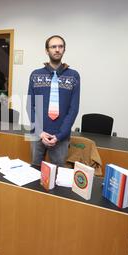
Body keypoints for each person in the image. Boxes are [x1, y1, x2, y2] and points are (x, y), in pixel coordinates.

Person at [27, 35, 80, 167]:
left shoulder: (73, 76)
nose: (57, 50)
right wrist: (39, 131)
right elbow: (30, 105)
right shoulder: (35, 74)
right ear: (47, 50)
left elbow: (73, 109)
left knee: (58, 173)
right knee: (34, 169)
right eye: (53, 46)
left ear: (64, 50)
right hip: (37, 134)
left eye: (60, 46)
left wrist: (60, 135)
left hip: (60, 137)